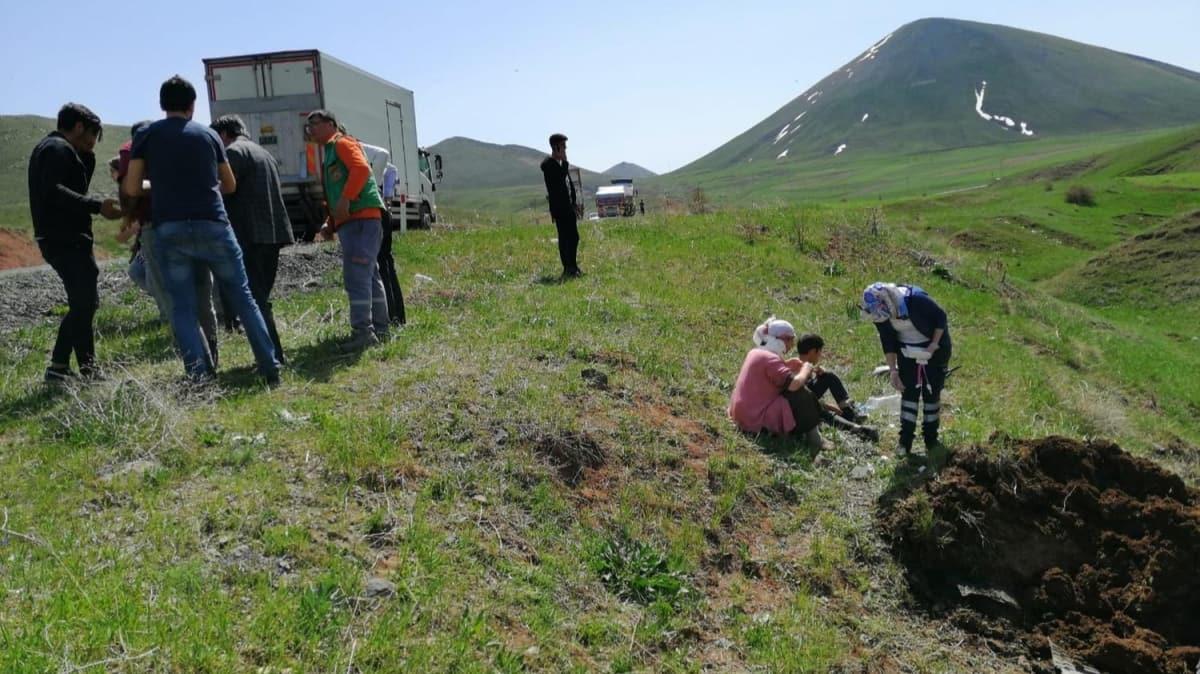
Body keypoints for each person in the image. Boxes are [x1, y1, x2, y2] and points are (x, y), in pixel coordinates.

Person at [123, 75, 279, 384]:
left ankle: (200, 375)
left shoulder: (148, 136)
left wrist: (162, 185)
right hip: (214, 225)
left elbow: (131, 186)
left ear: (162, 105)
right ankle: (269, 366)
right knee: (244, 297)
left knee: (182, 305)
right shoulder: (208, 137)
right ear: (193, 106)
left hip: (170, 230)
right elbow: (230, 184)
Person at [27, 103, 122, 383]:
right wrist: (97, 206)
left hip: (62, 238)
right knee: (84, 302)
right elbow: (54, 192)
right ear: (80, 127)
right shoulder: (58, 149)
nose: (94, 142)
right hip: (65, 238)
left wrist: (87, 160)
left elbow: (66, 190)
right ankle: (67, 368)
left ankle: (80, 369)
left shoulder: (57, 150)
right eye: (93, 134)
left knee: (84, 302)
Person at [211, 114, 294, 363]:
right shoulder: (263, 152)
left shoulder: (233, 153)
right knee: (260, 296)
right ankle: (272, 355)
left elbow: (226, 188)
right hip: (272, 233)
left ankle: (272, 358)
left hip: (251, 234)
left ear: (224, 134)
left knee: (255, 299)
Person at [306, 109, 390, 351]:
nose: (310, 129)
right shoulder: (331, 151)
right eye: (308, 125)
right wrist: (330, 223)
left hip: (361, 220)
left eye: (315, 123)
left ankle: (364, 332)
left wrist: (346, 200)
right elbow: (335, 192)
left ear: (331, 123)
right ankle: (379, 329)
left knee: (357, 278)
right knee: (369, 276)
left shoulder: (342, 143)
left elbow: (362, 170)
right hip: (357, 221)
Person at [862, 282, 952, 455]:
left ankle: (931, 440)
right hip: (907, 352)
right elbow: (887, 340)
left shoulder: (916, 299)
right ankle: (905, 442)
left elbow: (941, 317)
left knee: (931, 394)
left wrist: (933, 344)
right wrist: (893, 370)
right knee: (909, 393)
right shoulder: (880, 314)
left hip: (933, 350)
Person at [728, 318, 831, 450]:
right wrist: (806, 368)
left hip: (741, 413)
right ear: (784, 340)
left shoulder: (755, 352)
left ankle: (812, 431)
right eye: (791, 340)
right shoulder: (771, 359)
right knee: (801, 393)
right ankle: (815, 439)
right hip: (754, 418)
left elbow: (768, 373)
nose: (792, 345)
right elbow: (794, 385)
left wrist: (786, 364)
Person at [794, 333, 879, 442]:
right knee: (822, 412)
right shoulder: (798, 369)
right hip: (802, 407)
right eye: (819, 352)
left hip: (807, 400)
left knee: (828, 376)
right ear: (812, 351)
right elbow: (803, 398)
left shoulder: (803, 365)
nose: (820, 355)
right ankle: (854, 428)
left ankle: (848, 412)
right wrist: (828, 406)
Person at [358, 141, 405, 326]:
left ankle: (391, 317)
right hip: (380, 209)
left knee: (382, 266)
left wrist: (374, 187)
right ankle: (396, 317)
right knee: (385, 264)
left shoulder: (351, 146)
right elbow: (391, 169)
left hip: (375, 209)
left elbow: (383, 154)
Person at [539, 133, 581, 278]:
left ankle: (574, 266)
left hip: (568, 207)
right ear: (556, 147)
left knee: (574, 237)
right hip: (559, 208)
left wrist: (574, 202)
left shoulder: (561, 165)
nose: (565, 149)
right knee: (564, 238)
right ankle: (568, 268)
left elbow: (568, 185)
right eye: (563, 146)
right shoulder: (548, 165)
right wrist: (565, 162)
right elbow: (559, 179)